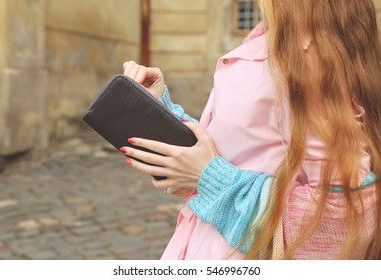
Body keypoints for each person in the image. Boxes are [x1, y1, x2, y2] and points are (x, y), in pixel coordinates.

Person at [120, 0, 381, 259]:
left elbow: (344, 218)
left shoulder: (306, 54)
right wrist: (162, 110)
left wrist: (209, 178)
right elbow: (232, 151)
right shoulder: (269, 38)